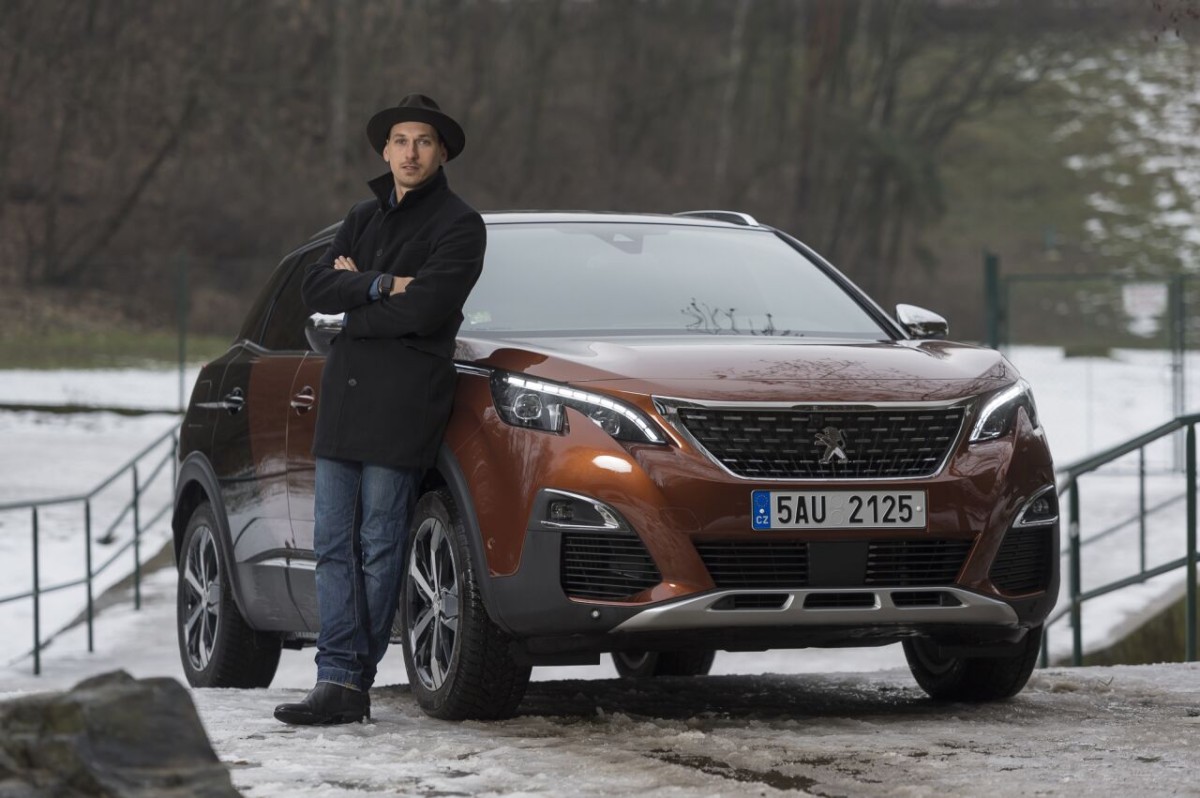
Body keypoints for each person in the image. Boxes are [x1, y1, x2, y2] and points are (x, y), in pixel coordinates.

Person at [274, 94, 486, 725]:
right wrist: (381, 284)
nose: (411, 152)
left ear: (441, 151)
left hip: (403, 400)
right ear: (385, 150)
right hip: (345, 398)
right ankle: (336, 678)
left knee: (379, 543)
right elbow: (316, 287)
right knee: (333, 543)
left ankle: (349, 679)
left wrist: (357, 297)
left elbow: (429, 309)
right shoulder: (360, 216)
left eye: (423, 141)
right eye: (400, 140)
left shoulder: (459, 224)